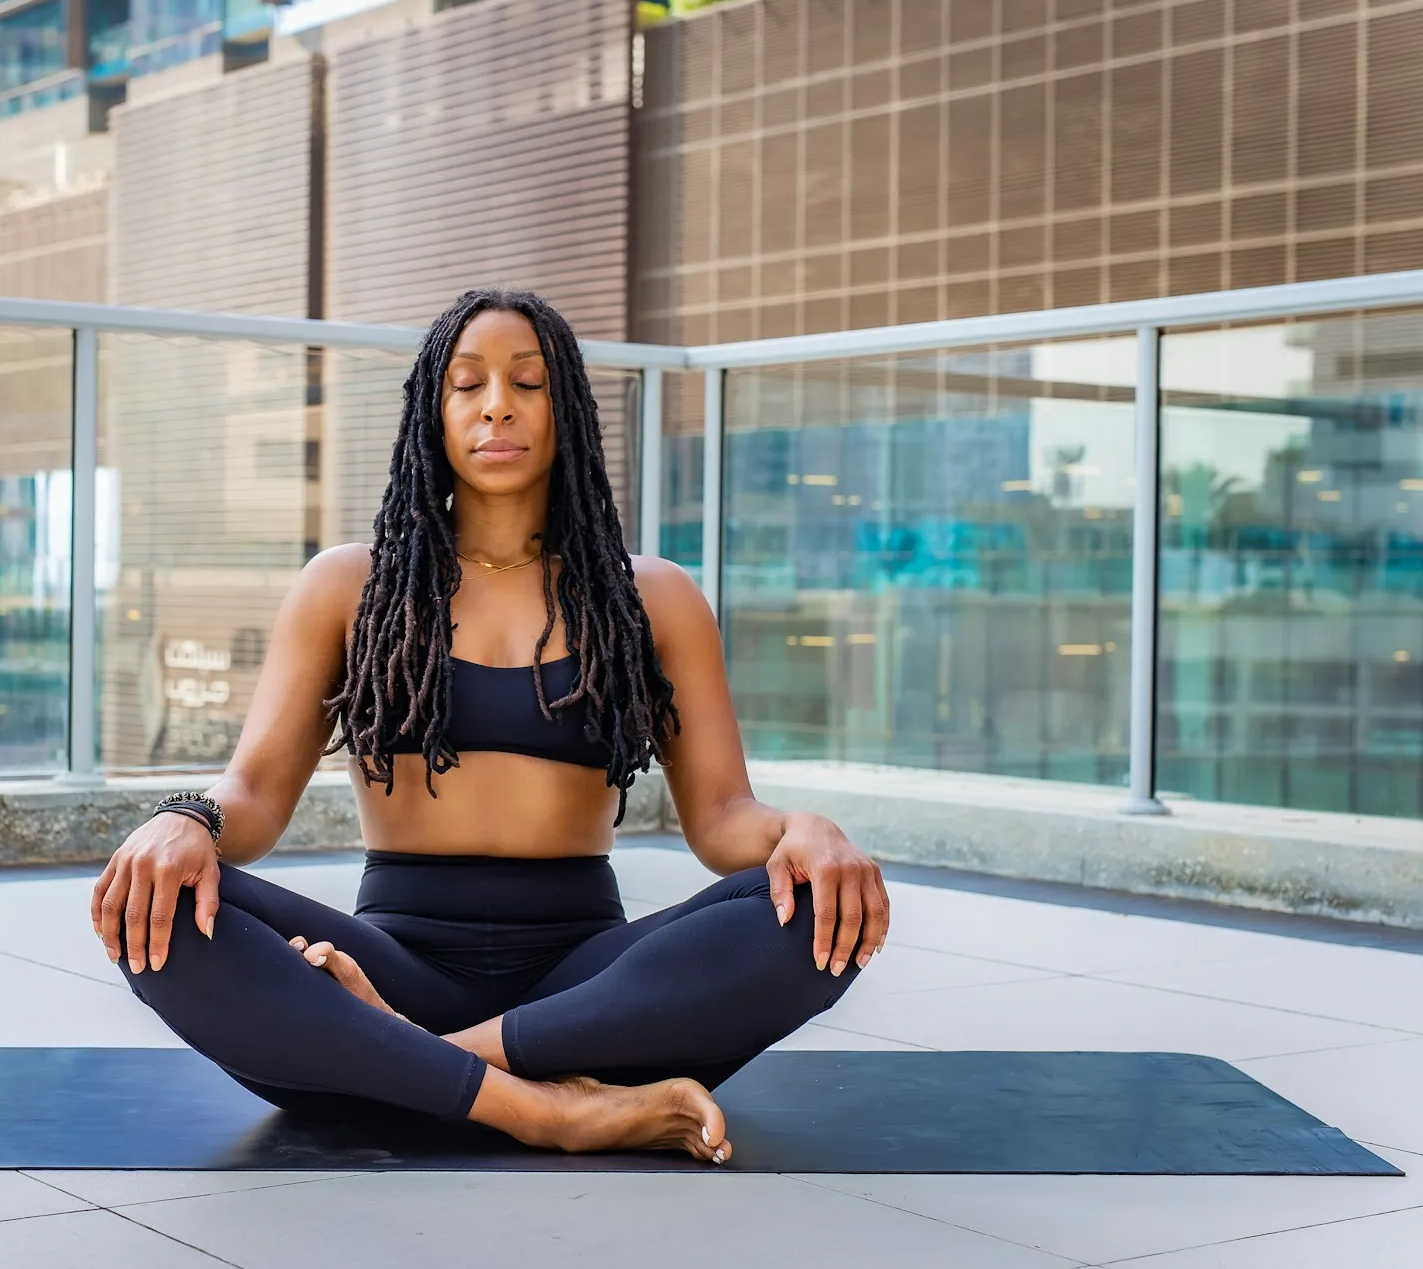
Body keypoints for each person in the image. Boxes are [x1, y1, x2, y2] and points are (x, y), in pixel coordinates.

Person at [91, 288, 891, 1165]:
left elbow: (724, 818)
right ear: (431, 413)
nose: (497, 403)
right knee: (161, 908)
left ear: (568, 410)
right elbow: (251, 795)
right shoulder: (347, 587)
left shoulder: (653, 597)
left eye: (527, 382)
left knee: (818, 907)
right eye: (467, 384)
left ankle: (410, 1064)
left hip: (589, 987)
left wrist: (802, 830)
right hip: (392, 958)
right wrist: (184, 818)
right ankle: (553, 1110)